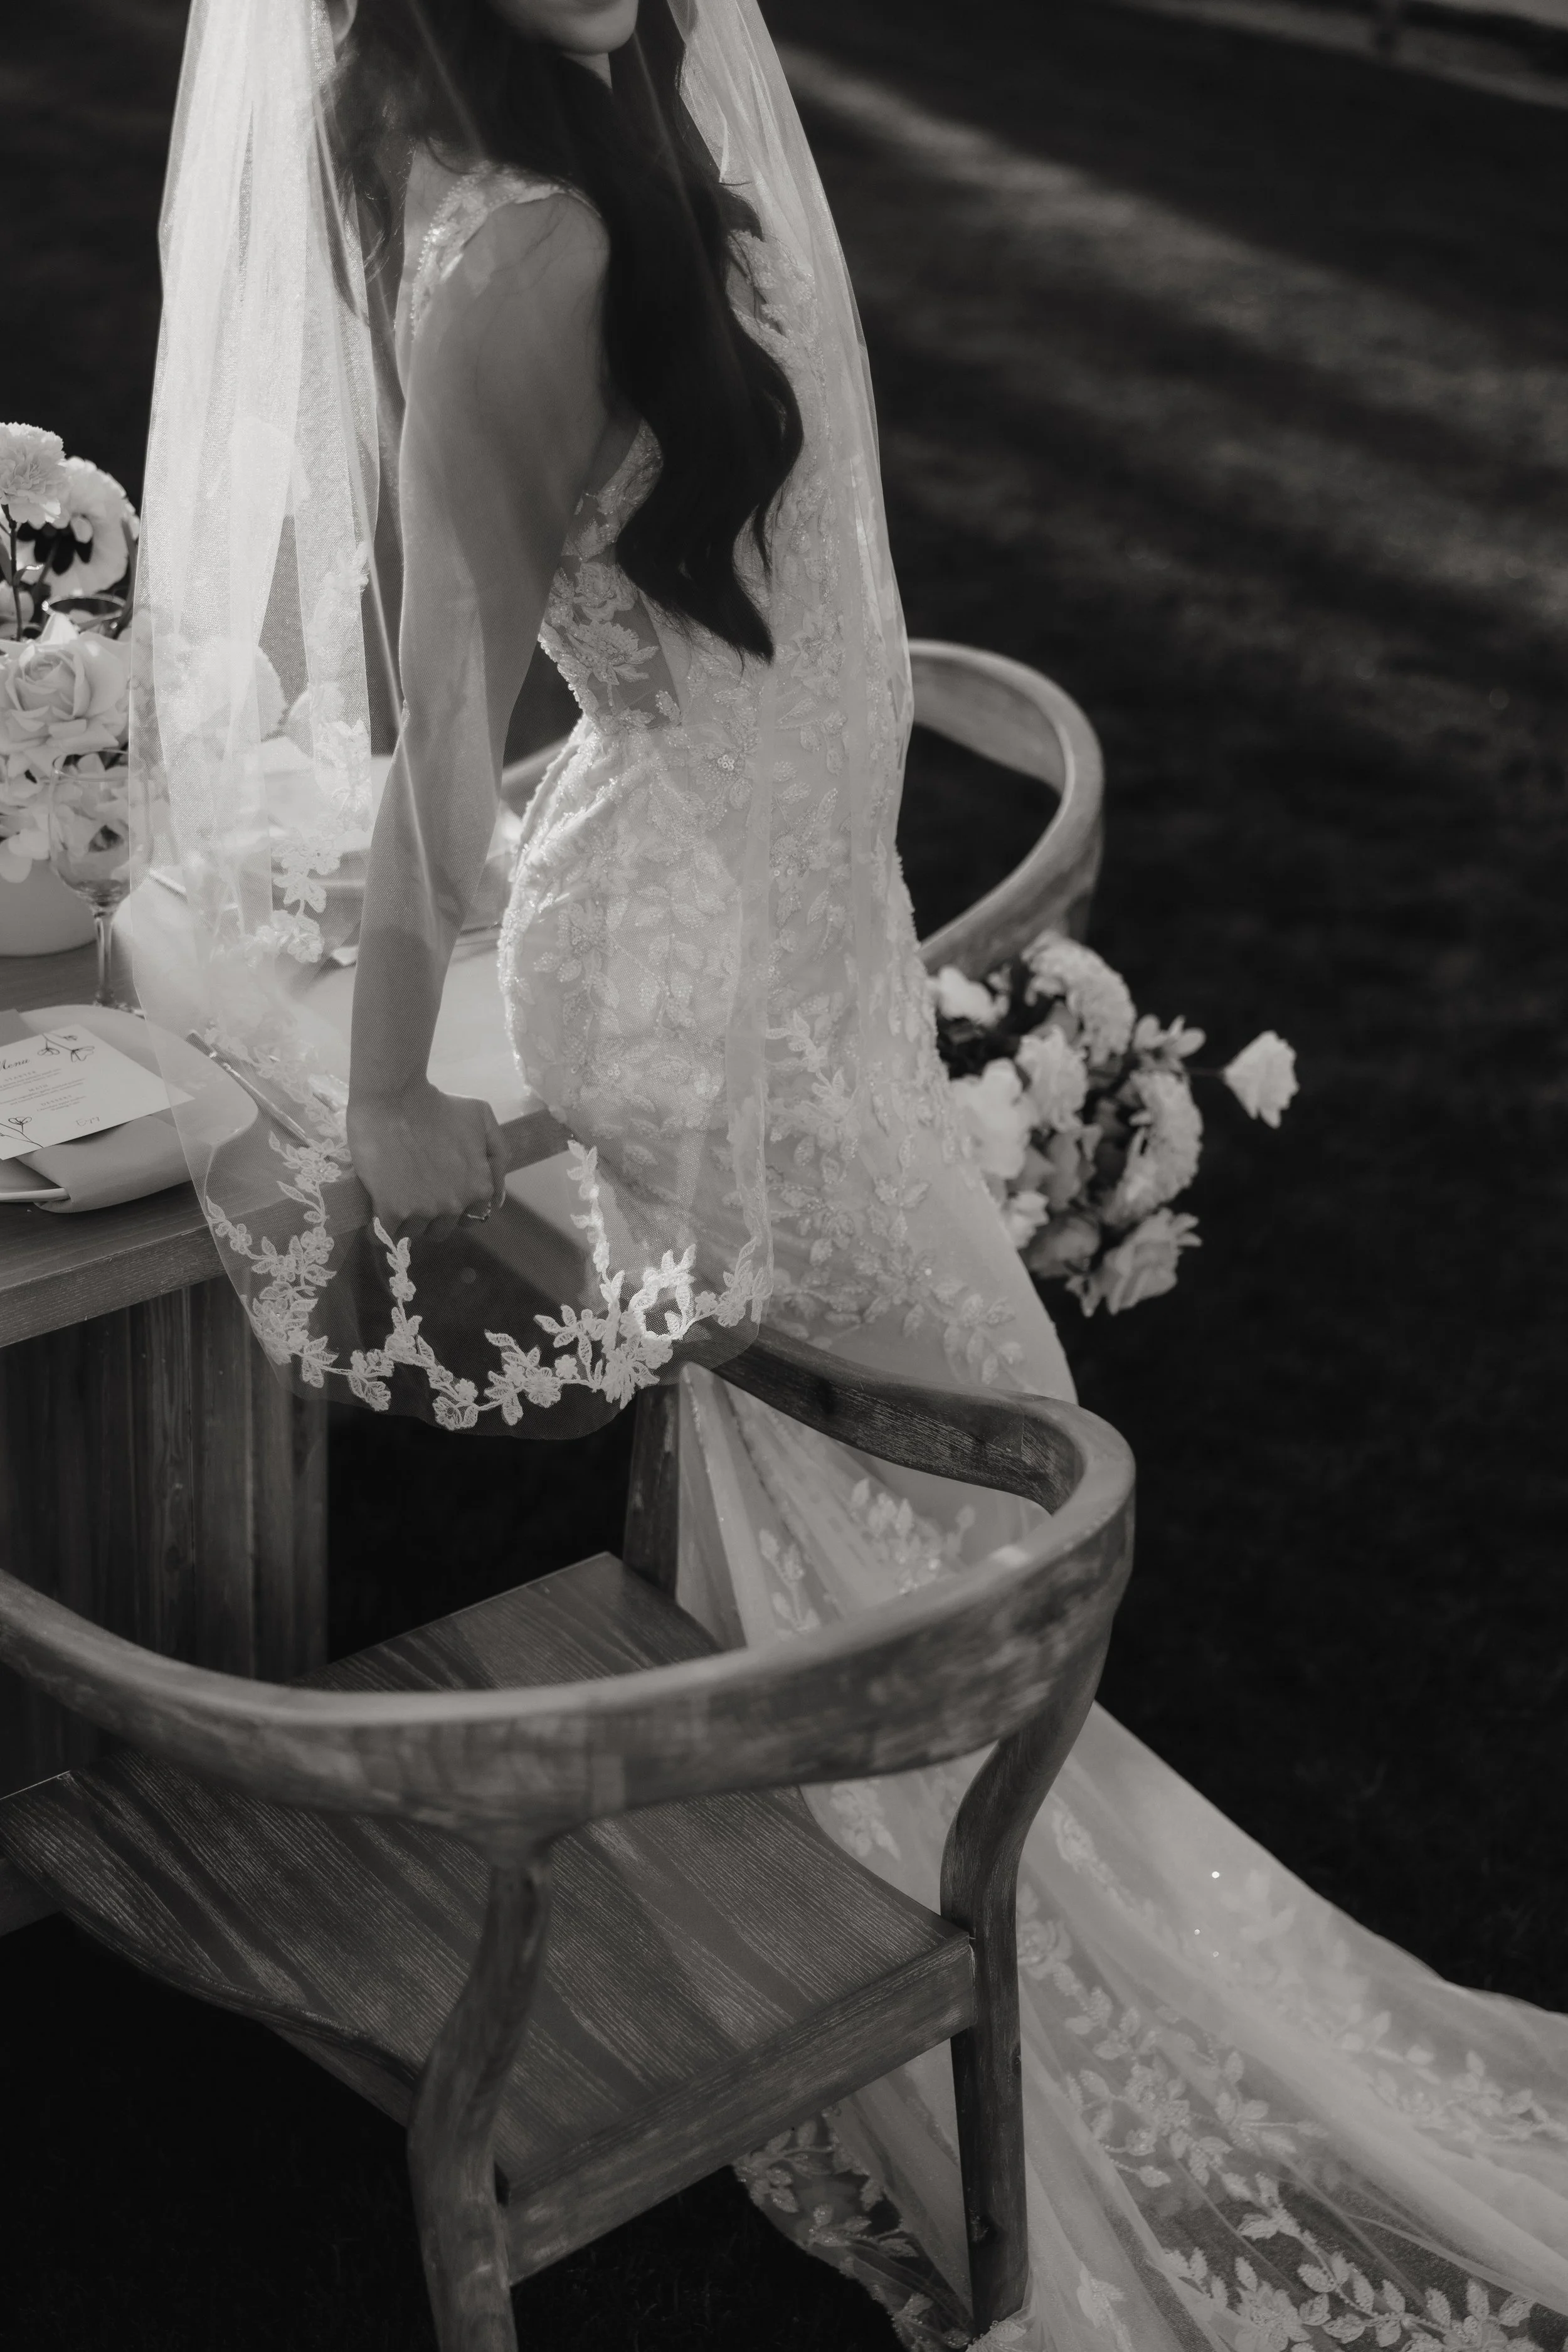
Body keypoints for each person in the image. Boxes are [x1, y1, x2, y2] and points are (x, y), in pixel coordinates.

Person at [132, 2, 1568, 2345]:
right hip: (700, 969)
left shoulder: (637, 80)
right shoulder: (502, 253)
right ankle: (954, 1998)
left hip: (799, 912)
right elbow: (442, 725)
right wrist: (394, 1084)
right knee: (966, 1499)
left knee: (868, 1501)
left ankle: (884, 1912)